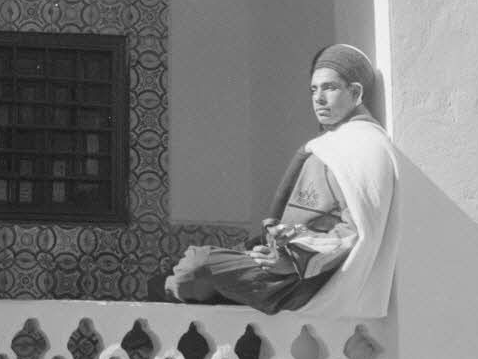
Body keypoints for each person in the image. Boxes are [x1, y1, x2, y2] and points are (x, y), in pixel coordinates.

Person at [164, 44, 398, 318]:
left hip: (304, 280)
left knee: (197, 265)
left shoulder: (363, 147)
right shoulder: (338, 143)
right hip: (286, 264)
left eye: (329, 88)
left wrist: (290, 259)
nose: (318, 99)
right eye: (313, 90)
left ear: (356, 93)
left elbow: (355, 233)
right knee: (178, 277)